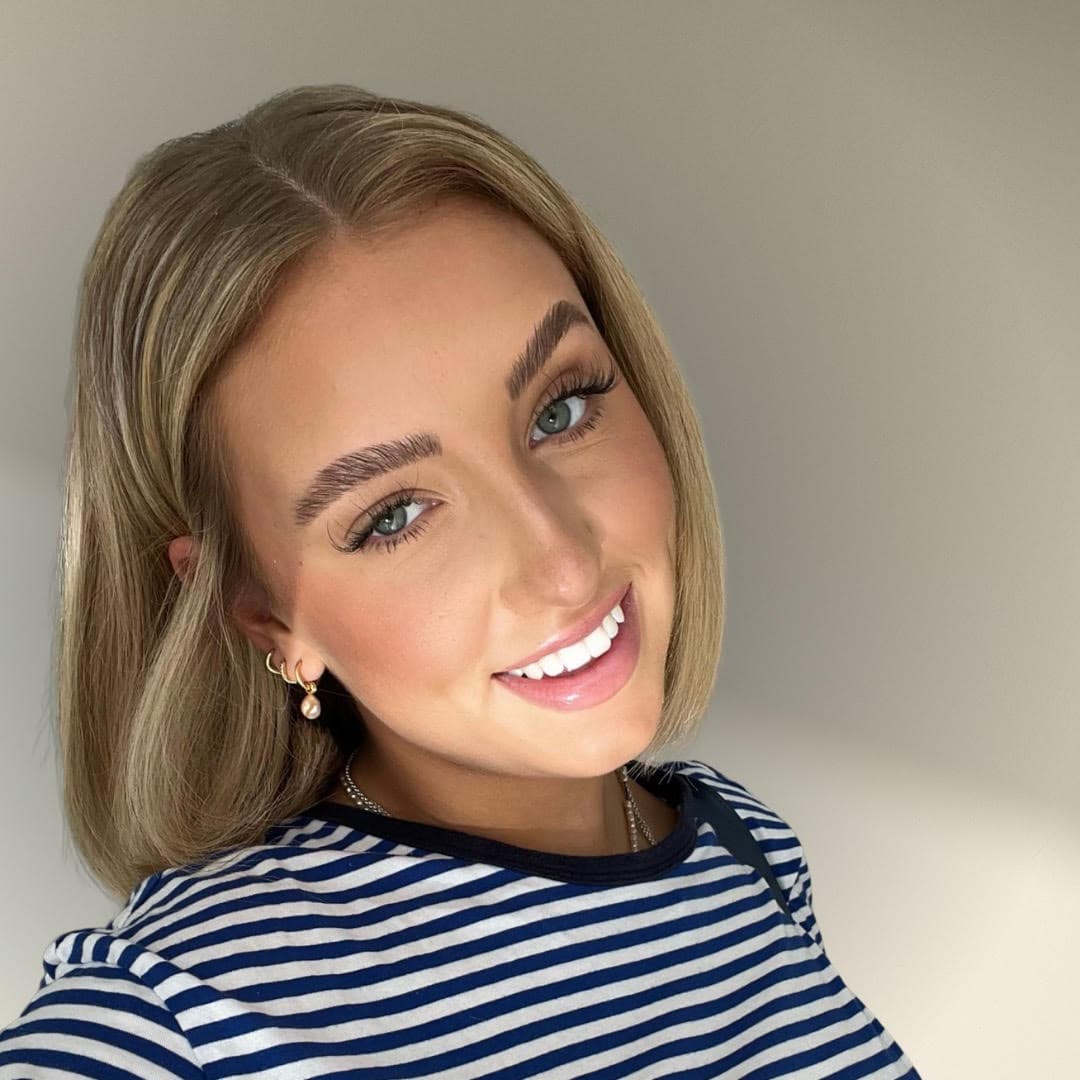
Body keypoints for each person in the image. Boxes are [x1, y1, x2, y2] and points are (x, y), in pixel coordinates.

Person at [0, 84, 921, 1079]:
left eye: (561, 408)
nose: (562, 563)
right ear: (263, 615)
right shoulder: (178, 1016)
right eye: (392, 515)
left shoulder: (747, 849)